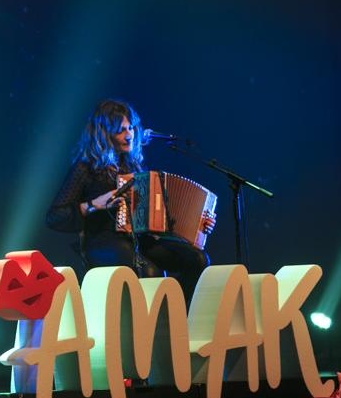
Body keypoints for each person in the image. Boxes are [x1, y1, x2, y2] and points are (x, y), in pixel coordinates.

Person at [45, 99, 215, 292]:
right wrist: (93, 205)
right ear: (105, 134)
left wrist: (197, 223)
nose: (129, 136)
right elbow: (54, 216)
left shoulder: (133, 166)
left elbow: (155, 217)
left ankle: (177, 310)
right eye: (121, 131)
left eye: (131, 128)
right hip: (103, 240)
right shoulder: (86, 168)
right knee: (149, 272)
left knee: (198, 260)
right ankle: (157, 311)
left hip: (139, 240)